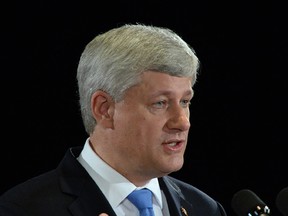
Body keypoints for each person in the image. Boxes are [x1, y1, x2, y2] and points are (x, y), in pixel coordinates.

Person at [0, 23, 227, 216]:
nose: (182, 122)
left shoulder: (204, 209)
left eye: (185, 102)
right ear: (105, 109)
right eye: (160, 103)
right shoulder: (22, 209)